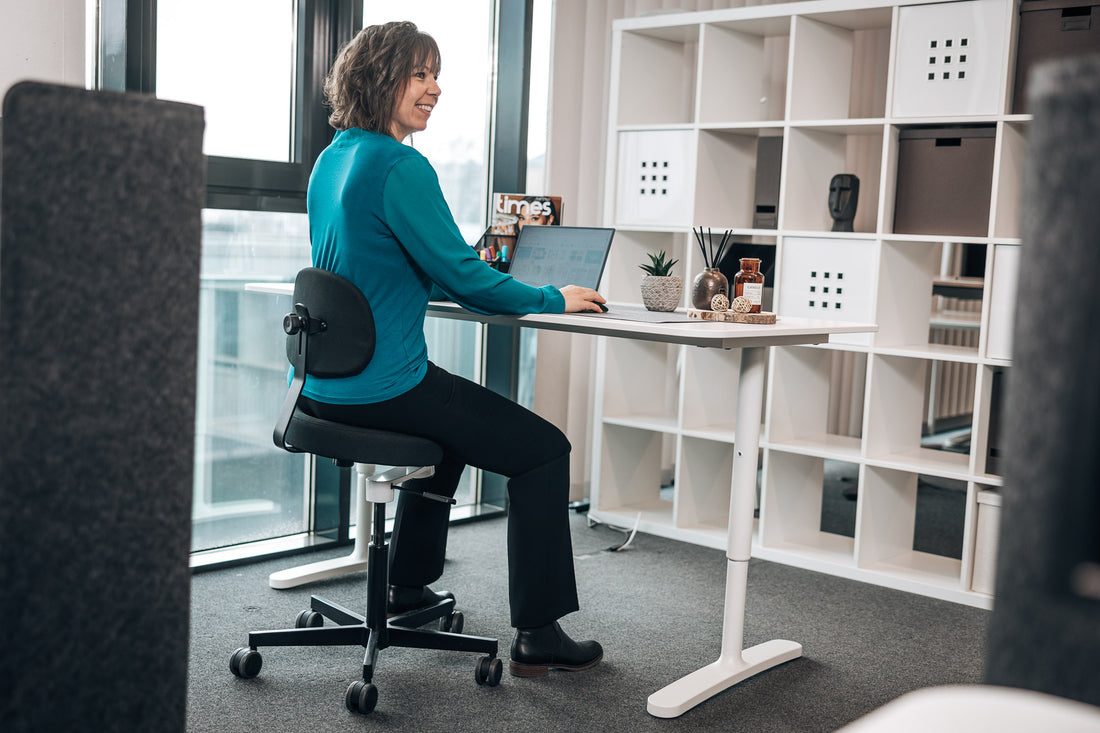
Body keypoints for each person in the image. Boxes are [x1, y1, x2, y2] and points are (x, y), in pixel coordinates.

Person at [301, 20, 606, 677]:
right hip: (384, 387)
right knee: (542, 448)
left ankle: (407, 586)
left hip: (324, 387)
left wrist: (459, 273)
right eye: (421, 73)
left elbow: (383, 260)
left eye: (436, 74)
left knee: (451, 431)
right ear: (382, 77)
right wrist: (555, 296)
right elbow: (467, 280)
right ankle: (539, 630)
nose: (436, 88)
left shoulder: (333, 159)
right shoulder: (398, 163)